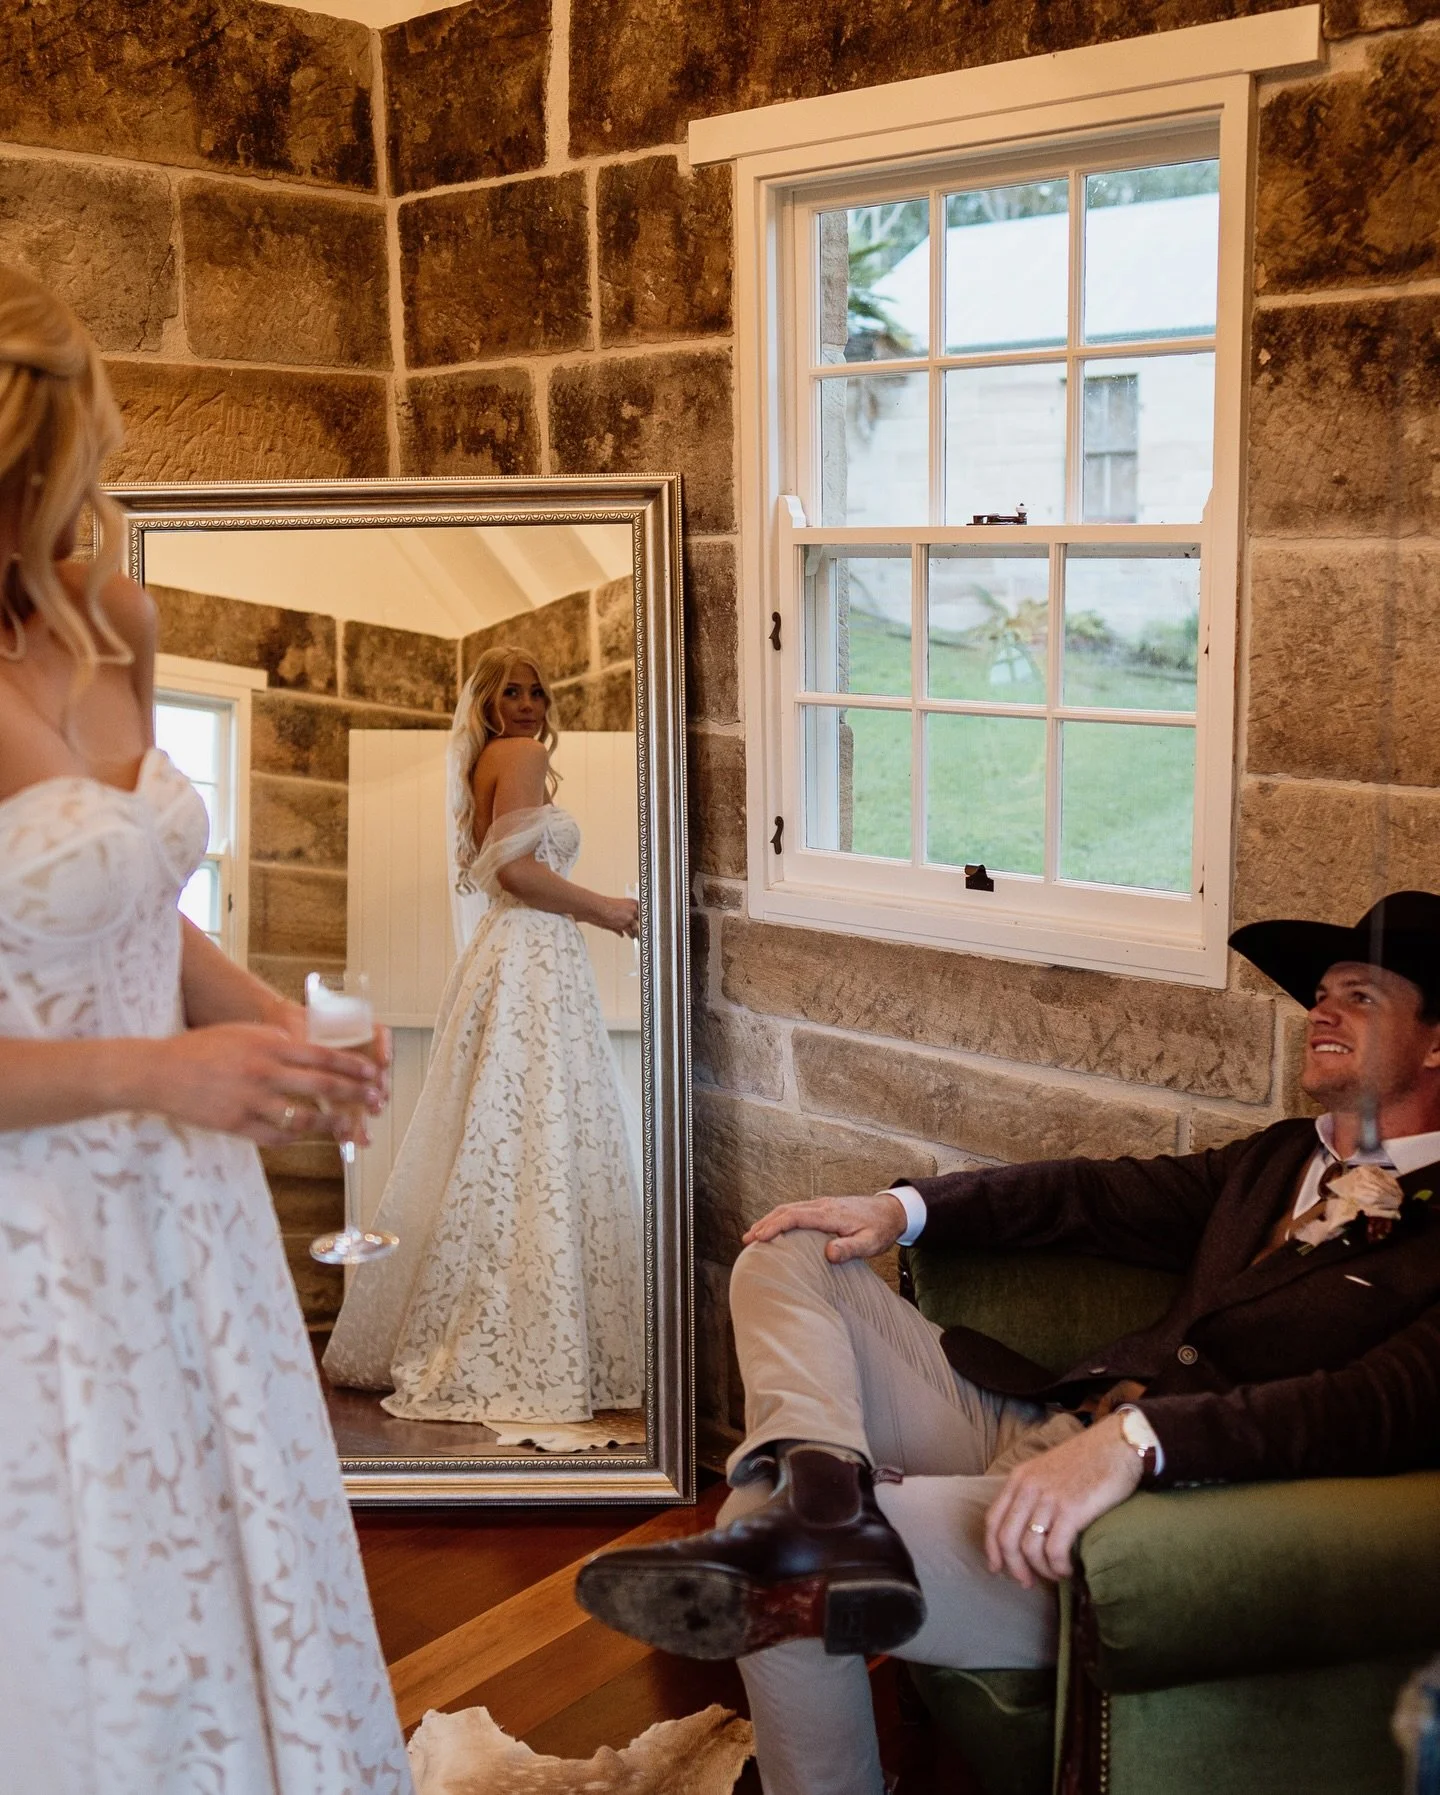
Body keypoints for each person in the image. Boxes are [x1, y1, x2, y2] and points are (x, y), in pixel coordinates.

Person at [577, 890, 1440, 1795]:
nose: (1323, 1009)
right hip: (1033, 1419)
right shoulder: (1273, 1160)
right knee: (790, 1253)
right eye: (1323, 991)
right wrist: (897, 1210)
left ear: (1434, 1042)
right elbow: (1092, 1195)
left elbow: (1377, 1406)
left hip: (1133, 1521)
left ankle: (817, 1552)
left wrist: (1141, 1443)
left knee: (759, 1537)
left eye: (1363, 995)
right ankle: (827, 1485)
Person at [0, 267, 412, 1791]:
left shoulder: (114, 619)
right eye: (69, 452)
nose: (91, 484)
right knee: (81, 1600)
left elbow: (121, 907)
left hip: (188, 1219)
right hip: (30, 1225)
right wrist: (162, 1069)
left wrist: (273, 1030)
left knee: (237, 1560)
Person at [322, 647, 645, 1435]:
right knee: (535, 1132)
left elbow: (499, 869)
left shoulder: (484, 762)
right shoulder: (524, 755)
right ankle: (527, 1340)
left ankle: (505, 1326)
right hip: (531, 949)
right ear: (488, 701)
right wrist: (607, 907)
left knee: (502, 1133)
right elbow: (520, 875)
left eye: (538, 690)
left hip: (506, 951)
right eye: (512, 690)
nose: (530, 703)